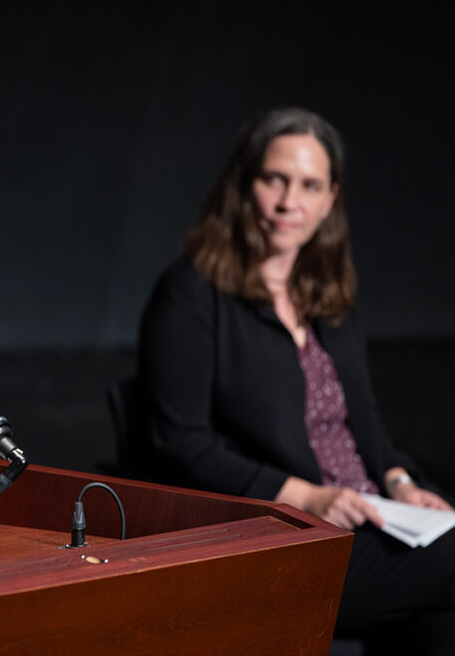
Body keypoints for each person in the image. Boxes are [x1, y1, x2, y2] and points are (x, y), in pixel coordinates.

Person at [138, 107, 454, 651]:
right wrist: (306, 496)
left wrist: (401, 482)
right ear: (244, 184)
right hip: (291, 539)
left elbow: (361, 422)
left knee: (440, 631)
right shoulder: (191, 293)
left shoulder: (326, 292)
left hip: (380, 515)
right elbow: (178, 441)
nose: (290, 203)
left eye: (309, 186)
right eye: (274, 180)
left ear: (330, 199)